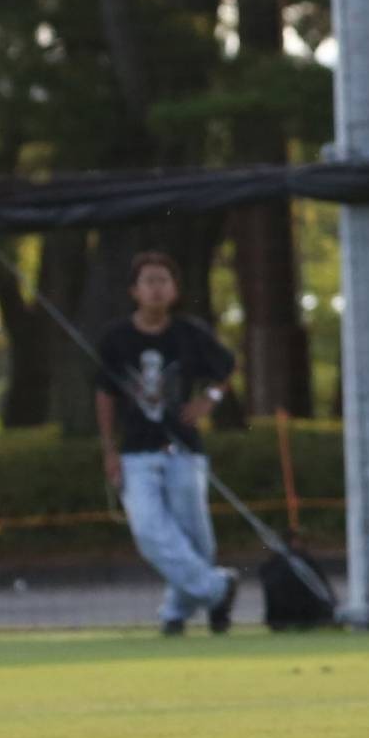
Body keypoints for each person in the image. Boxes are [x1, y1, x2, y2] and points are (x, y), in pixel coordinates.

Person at [95, 253, 239, 637]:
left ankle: (177, 613)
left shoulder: (190, 333)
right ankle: (217, 588)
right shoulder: (116, 339)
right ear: (134, 291)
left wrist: (209, 399)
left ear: (174, 290)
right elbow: (105, 396)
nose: (156, 288)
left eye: (163, 280)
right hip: (136, 453)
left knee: (194, 536)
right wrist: (109, 449)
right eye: (149, 281)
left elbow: (226, 368)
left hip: (184, 450)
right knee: (148, 530)